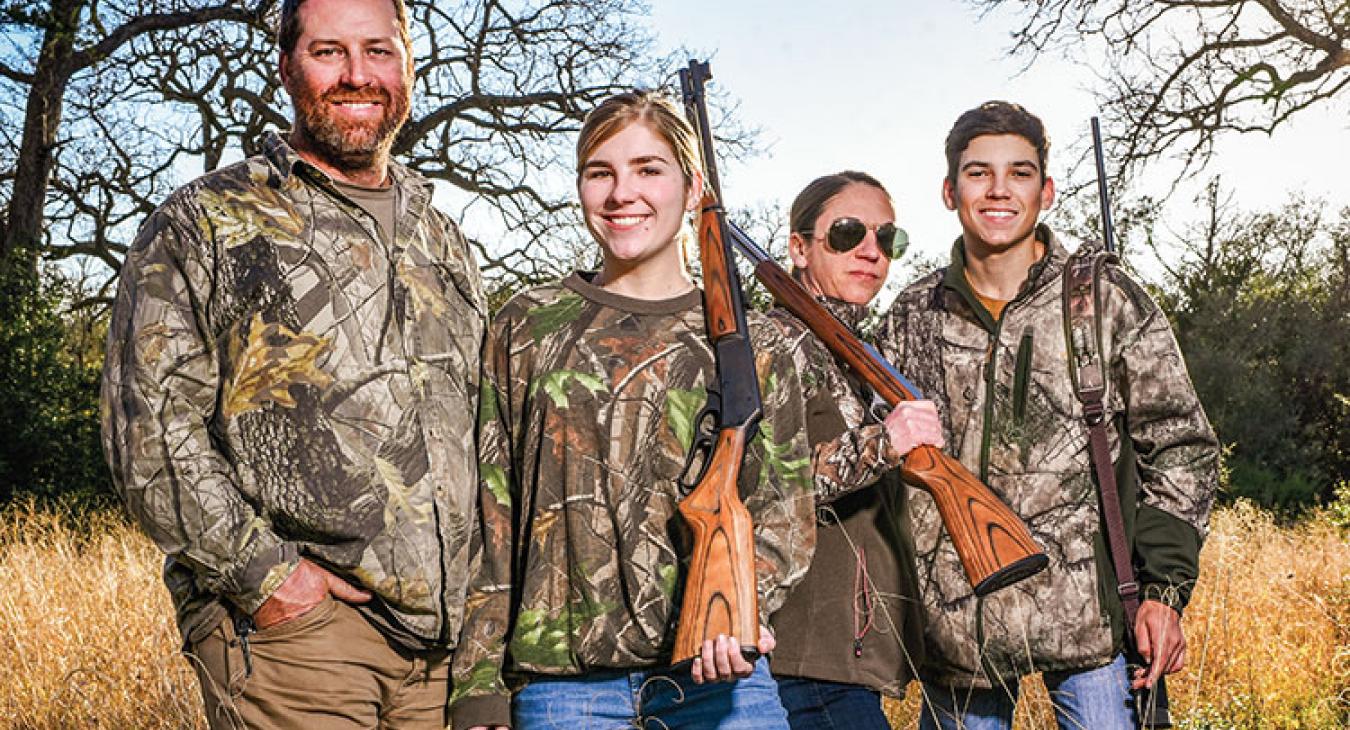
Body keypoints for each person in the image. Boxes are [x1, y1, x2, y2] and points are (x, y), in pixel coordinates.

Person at [99, 0, 485, 727]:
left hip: (445, 653)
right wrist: (267, 577)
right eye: (328, 52)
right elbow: (147, 425)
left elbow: (481, 432)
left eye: (378, 51)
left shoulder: (445, 239)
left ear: (407, 65)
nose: (357, 75)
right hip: (301, 638)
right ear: (285, 67)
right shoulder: (206, 219)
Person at [447, 90, 816, 730]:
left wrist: (738, 607)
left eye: (649, 169)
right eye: (601, 172)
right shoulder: (528, 325)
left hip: (719, 681)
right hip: (564, 690)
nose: (623, 193)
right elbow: (491, 514)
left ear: (693, 184)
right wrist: (479, 683)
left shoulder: (759, 343)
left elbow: (785, 509)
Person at [874, 101, 1220, 729]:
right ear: (950, 191)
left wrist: (1163, 592)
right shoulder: (912, 312)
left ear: (1048, 189)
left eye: (1020, 172)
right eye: (978, 173)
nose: (999, 190)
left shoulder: (1102, 298)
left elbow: (1182, 446)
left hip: (1093, 631)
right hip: (958, 635)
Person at [767, 172, 943, 729]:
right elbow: (769, 483)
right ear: (800, 247)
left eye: (887, 239)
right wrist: (884, 443)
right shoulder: (776, 341)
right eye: (847, 233)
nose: (871, 251)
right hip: (803, 658)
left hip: (850, 658)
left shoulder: (864, 357)